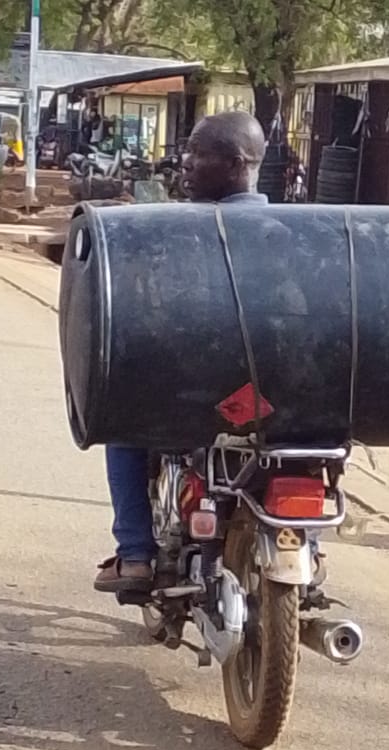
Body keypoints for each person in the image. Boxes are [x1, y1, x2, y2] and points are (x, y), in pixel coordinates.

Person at [95, 110, 267, 593]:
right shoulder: (290, 230)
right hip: (274, 402)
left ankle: (134, 555)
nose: (184, 163)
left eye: (198, 153)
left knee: (124, 427)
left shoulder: (177, 228)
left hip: (196, 399)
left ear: (234, 164)